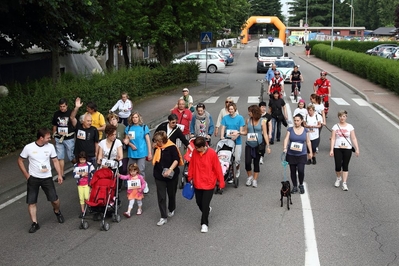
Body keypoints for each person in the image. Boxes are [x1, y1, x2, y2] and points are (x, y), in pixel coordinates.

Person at [17, 128, 65, 233]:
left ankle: (57, 211)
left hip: (47, 177)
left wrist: (59, 174)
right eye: (48, 137)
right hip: (33, 178)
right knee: (31, 201)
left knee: (54, 200)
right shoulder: (28, 148)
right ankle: (35, 223)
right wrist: (26, 175)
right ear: (41, 138)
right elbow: (20, 160)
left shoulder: (51, 147)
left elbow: (55, 161)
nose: (50, 139)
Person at [187, 136, 225, 233]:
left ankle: (204, 223)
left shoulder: (212, 153)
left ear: (203, 146)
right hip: (198, 182)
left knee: (204, 203)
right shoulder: (195, 153)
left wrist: (221, 181)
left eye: (197, 148)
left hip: (209, 183)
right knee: (198, 202)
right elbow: (192, 164)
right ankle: (207, 210)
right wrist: (190, 176)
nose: (196, 149)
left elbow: (217, 168)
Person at [152, 131, 183, 226]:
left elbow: (176, 159)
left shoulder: (172, 147)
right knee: (161, 196)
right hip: (159, 175)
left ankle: (171, 208)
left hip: (171, 175)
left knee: (171, 194)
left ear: (164, 140)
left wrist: (170, 170)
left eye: (159, 141)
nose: (158, 143)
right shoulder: (157, 148)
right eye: (156, 141)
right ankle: (163, 216)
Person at [330, 110, 360, 191]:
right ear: (338, 117)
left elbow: (353, 138)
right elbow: (333, 138)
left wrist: (357, 148)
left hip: (347, 148)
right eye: (340, 116)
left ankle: (344, 183)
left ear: (346, 117)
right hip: (337, 148)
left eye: (344, 116)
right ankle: (338, 178)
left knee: (345, 165)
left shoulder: (350, 127)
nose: (342, 118)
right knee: (338, 166)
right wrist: (331, 149)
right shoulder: (335, 127)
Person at [282, 114, 312, 194]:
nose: (296, 122)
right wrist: (285, 148)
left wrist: (310, 152)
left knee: (301, 170)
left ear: (301, 121)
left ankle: (301, 184)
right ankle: (295, 186)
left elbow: (308, 142)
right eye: (295, 120)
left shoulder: (305, 130)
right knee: (292, 171)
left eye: (298, 120)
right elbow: (286, 139)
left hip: (302, 154)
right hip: (291, 154)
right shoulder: (290, 129)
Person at [243, 105, 271, 188]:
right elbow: (245, 132)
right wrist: (238, 133)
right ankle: (250, 177)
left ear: (254, 112)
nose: (248, 113)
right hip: (249, 144)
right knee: (247, 162)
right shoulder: (248, 120)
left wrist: (268, 146)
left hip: (258, 145)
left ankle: (255, 180)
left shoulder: (262, 121)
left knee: (256, 163)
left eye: (250, 112)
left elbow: (265, 134)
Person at [123, 112, 153, 190]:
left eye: (136, 117)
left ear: (139, 118)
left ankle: (144, 185)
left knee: (141, 169)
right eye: (133, 117)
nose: (135, 119)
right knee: (131, 170)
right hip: (132, 153)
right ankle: (133, 185)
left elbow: (148, 141)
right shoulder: (129, 128)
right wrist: (130, 144)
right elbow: (126, 140)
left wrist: (149, 153)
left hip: (141, 152)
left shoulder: (143, 127)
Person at [70, 97, 100, 167]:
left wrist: (96, 153)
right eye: (88, 121)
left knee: (92, 175)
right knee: (81, 175)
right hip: (80, 156)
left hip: (91, 156)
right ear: (83, 121)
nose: (90, 123)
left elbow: (96, 142)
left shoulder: (94, 129)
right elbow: (72, 118)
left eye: (91, 121)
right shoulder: (78, 127)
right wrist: (76, 107)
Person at [220, 102, 245, 181]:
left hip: (237, 141)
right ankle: (229, 174)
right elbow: (223, 128)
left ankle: (237, 169)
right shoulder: (225, 118)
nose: (230, 111)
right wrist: (222, 137)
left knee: (237, 159)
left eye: (232, 109)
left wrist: (236, 135)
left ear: (235, 109)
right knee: (227, 159)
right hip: (227, 141)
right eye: (229, 109)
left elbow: (241, 130)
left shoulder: (240, 118)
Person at [51, 98, 75, 180]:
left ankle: (79, 166)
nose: (62, 108)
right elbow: (54, 125)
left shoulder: (71, 113)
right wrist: (53, 135)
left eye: (64, 106)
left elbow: (75, 124)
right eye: (61, 106)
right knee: (60, 156)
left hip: (69, 138)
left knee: (71, 155)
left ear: (67, 106)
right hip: (59, 137)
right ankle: (61, 174)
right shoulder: (56, 114)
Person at [72, 151, 95, 217]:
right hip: (80, 184)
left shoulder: (89, 165)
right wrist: (81, 175)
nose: (82, 161)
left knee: (87, 197)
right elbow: (74, 175)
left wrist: (89, 175)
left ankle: (90, 207)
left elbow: (94, 172)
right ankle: (82, 211)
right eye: (81, 159)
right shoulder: (76, 166)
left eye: (83, 159)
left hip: (87, 184)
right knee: (81, 198)